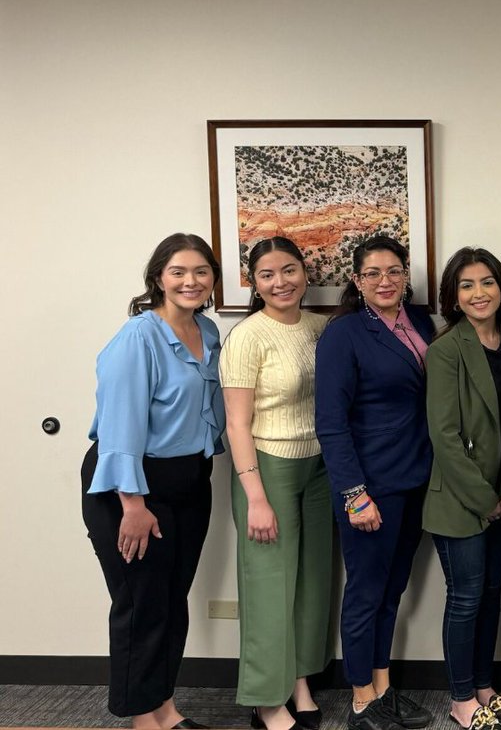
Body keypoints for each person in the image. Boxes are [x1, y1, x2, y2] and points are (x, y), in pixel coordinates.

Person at [82, 233, 226, 729]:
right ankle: (142, 718)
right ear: (158, 277)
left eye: (201, 272)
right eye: (179, 271)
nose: (191, 281)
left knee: (171, 602)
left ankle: (165, 708)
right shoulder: (138, 337)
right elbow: (121, 426)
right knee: (142, 604)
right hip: (132, 485)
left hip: (189, 480)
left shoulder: (207, 331)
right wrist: (133, 504)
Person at [315, 236, 435, 730]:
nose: (384, 281)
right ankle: (362, 700)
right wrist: (354, 494)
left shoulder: (420, 323)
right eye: (372, 274)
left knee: (392, 590)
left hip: (415, 478)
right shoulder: (343, 334)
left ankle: (382, 689)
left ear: (406, 275)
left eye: (393, 271)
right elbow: (331, 422)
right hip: (370, 486)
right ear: (357, 281)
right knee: (365, 591)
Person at [220, 237, 332, 730]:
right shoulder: (247, 337)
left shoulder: (321, 327)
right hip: (267, 467)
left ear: (306, 273)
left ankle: (301, 682)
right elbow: (236, 425)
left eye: (289, 270)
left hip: (320, 467)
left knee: (312, 580)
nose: (280, 282)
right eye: (267, 275)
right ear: (255, 283)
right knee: (269, 586)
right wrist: (256, 497)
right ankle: (266, 700)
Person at [424, 247, 501, 730]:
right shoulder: (446, 350)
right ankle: (461, 697)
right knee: (465, 597)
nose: (478, 292)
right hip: (461, 500)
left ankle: (484, 685)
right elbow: (443, 436)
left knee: (491, 593)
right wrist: (487, 500)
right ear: (453, 296)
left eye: (486, 282)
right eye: (466, 285)